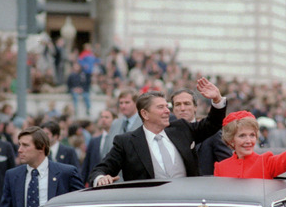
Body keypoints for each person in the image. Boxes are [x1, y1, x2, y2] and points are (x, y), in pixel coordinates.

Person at [89, 78, 226, 186]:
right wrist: (101, 178)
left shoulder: (181, 129)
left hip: (186, 206)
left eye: (167, 107)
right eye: (161, 107)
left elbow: (212, 124)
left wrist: (217, 100)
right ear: (145, 114)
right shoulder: (126, 142)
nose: (167, 111)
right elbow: (99, 170)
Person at [214, 105, 286, 178]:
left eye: (252, 135)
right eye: (242, 136)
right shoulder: (221, 168)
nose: (248, 141)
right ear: (231, 140)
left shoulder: (266, 163)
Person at [171, 89, 232, 175]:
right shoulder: (166, 135)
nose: (182, 108)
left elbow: (227, 163)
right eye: (177, 105)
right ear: (173, 109)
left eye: (187, 104)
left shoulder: (212, 133)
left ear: (195, 107)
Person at [81, 109, 115, 185]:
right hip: (95, 183)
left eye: (107, 117)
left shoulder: (118, 140)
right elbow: (87, 164)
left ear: (114, 120)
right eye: (102, 117)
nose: (103, 119)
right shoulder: (94, 141)